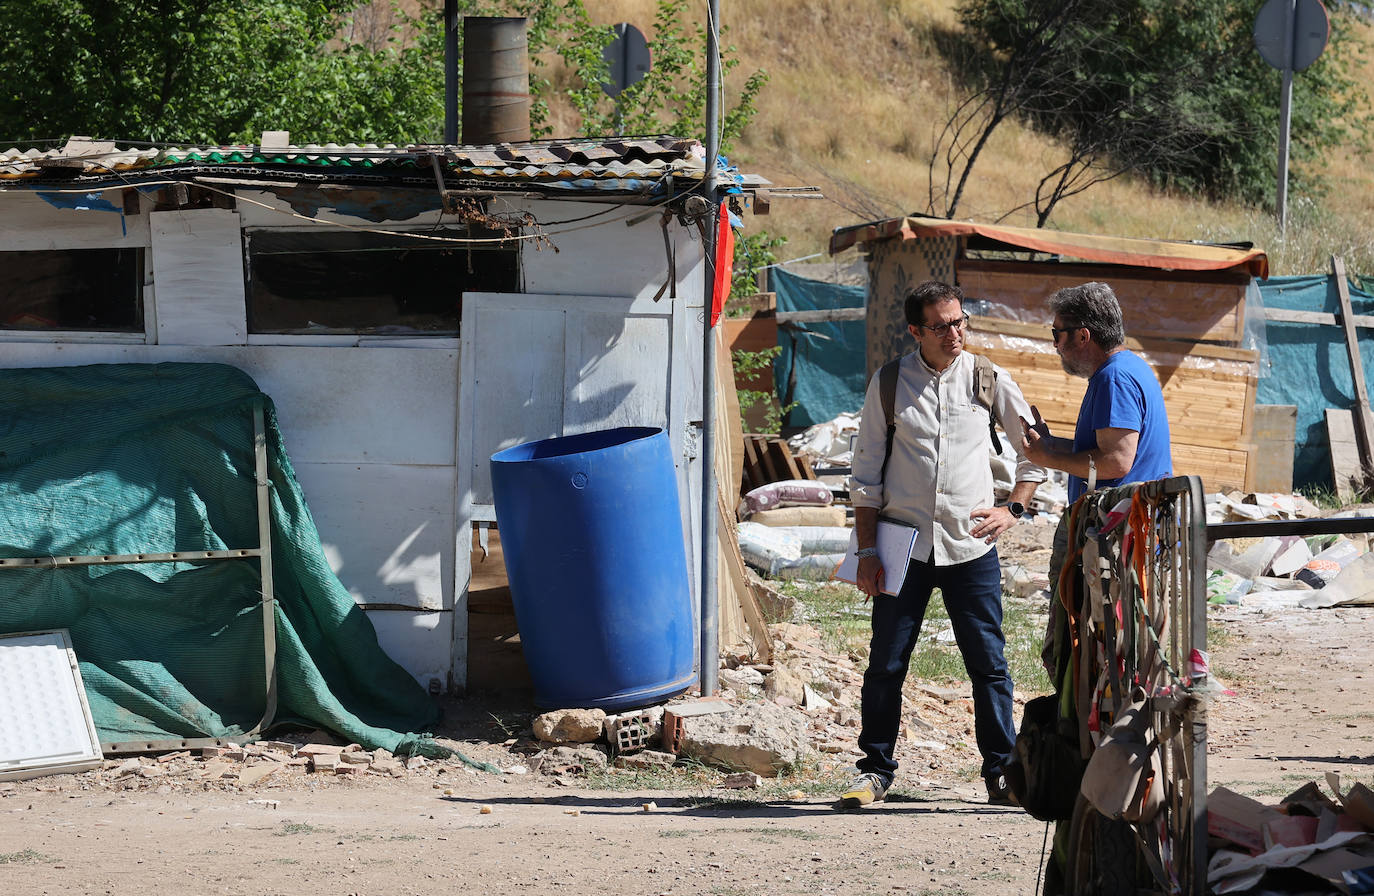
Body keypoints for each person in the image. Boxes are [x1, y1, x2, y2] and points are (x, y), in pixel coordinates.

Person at [842, 279, 1047, 809]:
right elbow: (864, 475)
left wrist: (1014, 508)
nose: (955, 333)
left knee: (989, 663)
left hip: (970, 546)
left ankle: (1000, 772)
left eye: (960, 322)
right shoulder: (889, 384)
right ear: (916, 330)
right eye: (941, 326)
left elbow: (1034, 452)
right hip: (900, 549)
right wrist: (866, 554)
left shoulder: (988, 378)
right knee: (886, 663)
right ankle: (875, 771)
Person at [1019, 281, 1172, 500]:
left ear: (1083, 336)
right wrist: (1052, 445)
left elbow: (1116, 462)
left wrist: (1048, 458)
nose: (1055, 345)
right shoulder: (1128, 367)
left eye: (1057, 334)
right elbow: (1101, 451)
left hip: (1124, 527)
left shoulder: (1114, 378)